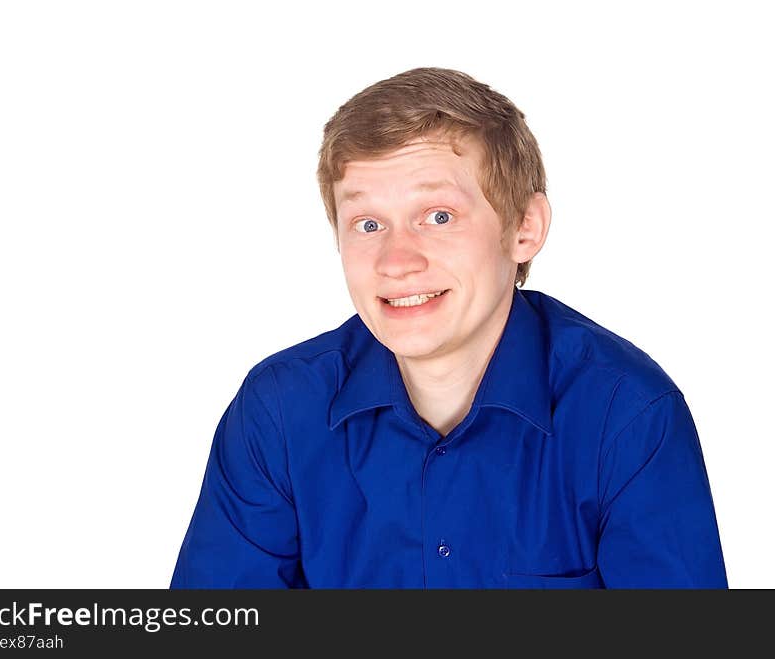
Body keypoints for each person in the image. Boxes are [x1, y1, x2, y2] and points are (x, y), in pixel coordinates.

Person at [170, 67, 727, 589]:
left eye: (438, 216)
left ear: (525, 229)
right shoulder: (278, 411)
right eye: (368, 223)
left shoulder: (626, 414)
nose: (396, 260)